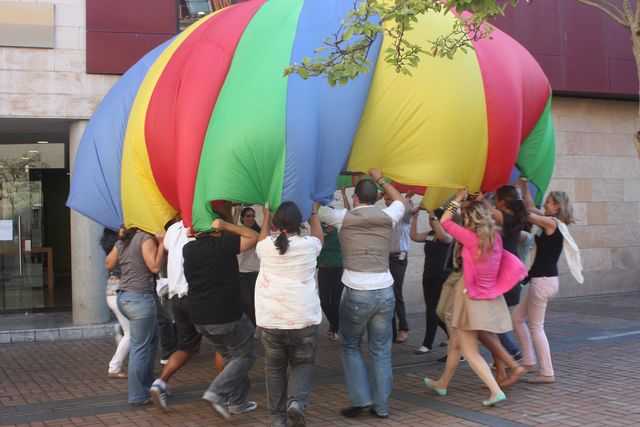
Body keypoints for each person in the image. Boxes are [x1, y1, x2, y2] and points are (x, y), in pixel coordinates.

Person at [423, 190, 526, 407]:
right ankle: (442, 383)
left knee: (469, 351)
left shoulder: (471, 239)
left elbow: (445, 221)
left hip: (470, 301)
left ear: (470, 220)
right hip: (487, 299)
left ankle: (495, 391)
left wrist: (458, 198)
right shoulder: (495, 238)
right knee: (455, 345)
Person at [318, 168, 405, 419]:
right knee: (381, 350)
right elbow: (399, 200)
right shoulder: (389, 215)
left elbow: (316, 209)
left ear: (355, 198)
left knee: (351, 345)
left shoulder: (343, 217)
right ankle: (382, 407)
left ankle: (360, 400)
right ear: (377, 197)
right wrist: (381, 179)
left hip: (357, 292)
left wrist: (320, 184)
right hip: (385, 291)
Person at [183, 203, 260, 420]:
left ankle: (238, 402)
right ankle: (217, 393)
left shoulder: (188, 249)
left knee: (231, 356)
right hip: (226, 315)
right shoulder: (224, 244)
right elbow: (254, 236)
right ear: (216, 227)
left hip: (199, 317)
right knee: (246, 355)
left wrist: (204, 230)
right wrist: (227, 225)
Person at [255, 201, 324, 427]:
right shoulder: (310, 245)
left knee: (274, 369)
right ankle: (296, 404)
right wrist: (314, 212)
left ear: (276, 223)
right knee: (302, 363)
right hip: (304, 318)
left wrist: (265, 216)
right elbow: (319, 237)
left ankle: (277, 419)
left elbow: (261, 239)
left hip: (271, 320)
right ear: (298, 222)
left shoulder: (266, 247)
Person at [511, 179, 577, 384]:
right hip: (542, 280)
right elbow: (531, 208)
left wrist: (513, 195)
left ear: (557, 206)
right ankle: (529, 361)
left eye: (548, 202)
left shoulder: (551, 223)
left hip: (543, 281)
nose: (545, 205)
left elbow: (525, 213)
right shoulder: (553, 221)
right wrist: (523, 187)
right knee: (517, 318)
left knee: (536, 327)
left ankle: (547, 372)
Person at [105, 227, 165, 405]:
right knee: (140, 347)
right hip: (140, 298)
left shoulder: (123, 241)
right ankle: (138, 395)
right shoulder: (144, 238)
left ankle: (147, 385)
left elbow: (109, 263)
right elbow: (154, 266)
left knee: (151, 341)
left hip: (125, 297)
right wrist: (161, 244)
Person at [149, 218, 202, 410]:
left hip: (177, 298)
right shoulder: (201, 228)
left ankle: (160, 383)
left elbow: (169, 249)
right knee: (223, 341)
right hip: (197, 295)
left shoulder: (172, 229)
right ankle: (224, 393)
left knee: (187, 347)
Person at [410, 208, 452, 354]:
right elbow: (414, 236)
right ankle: (452, 335)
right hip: (428, 275)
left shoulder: (448, 235)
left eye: (433, 219)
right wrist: (414, 218)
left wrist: (433, 217)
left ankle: (427, 344)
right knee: (435, 311)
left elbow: (443, 238)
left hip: (442, 276)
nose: (430, 221)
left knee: (432, 310)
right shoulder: (430, 234)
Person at [383, 191, 413, 343]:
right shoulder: (386, 216)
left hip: (399, 257)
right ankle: (391, 330)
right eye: (386, 198)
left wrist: (406, 197)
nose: (387, 201)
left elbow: (408, 210)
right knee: (388, 294)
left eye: (390, 198)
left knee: (396, 292)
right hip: (386, 257)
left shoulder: (404, 214)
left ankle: (403, 328)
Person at [100, 227, 129, 379]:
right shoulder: (119, 243)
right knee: (132, 333)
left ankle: (121, 331)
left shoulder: (107, 240)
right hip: (121, 290)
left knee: (131, 331)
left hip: (111, 289)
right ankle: (114, 366)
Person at [234, 206, 261, 326]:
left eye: (252, 216)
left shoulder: (259, 232)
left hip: (256, 272)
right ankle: (247, 325)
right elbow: (230, 228)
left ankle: (253, 326)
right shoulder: (239, 232)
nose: (250, 218)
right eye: (247, 216)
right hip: (242, 272)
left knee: (256, 302)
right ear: (243, 218)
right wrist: (236, 212)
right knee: (245, 302)